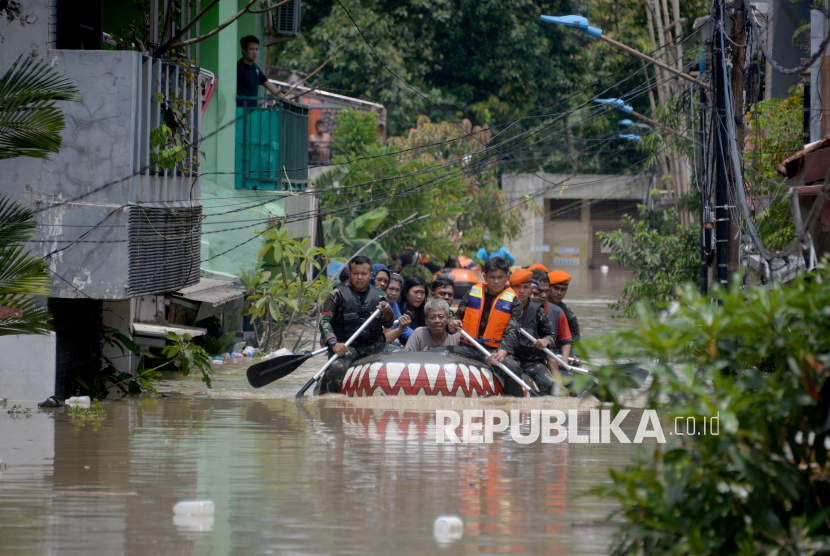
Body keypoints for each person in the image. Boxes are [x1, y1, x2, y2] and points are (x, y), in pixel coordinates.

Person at [317, 256, 399, 394]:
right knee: (336, 369)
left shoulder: (379, 295)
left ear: (370, 275)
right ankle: (329, 401)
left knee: (399, 354)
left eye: (364, 274)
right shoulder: (336, 295)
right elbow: (325, 321)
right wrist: (334, 343)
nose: (359, 277)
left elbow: (388, 323)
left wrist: (388, 312)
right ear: (350, 274)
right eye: (356, 274)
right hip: (347, 347)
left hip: (373, 345)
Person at [447, 256, 525, 396]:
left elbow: (512, 331)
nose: (496, 281)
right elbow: (457, 315)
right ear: (484, 277)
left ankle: (511, 402)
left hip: (495, 350)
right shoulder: (472, 292)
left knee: (513, 367)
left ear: (507, 277)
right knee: (435, 351)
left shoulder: (515, 302)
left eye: (500, 277)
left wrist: (502, 351)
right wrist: (451, 323)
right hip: (470, 347)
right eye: (492, 277)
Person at [507, 269, 558, 395]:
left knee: (549, 384)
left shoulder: (537, 311)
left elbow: (551, 335)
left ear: (530, 289)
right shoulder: (503, 306)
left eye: (525, 287)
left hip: (531, 360)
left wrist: (546, 341)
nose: (522, 291)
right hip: (509, 356)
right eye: (518, 287)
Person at [534, 269, 573, 368]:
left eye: (546, 291)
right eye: (540, 291)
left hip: (550, 359)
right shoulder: (519, 309)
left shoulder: (558, 312)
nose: (543, 295)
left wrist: (565, 358)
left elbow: (567, 340)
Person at [237, 35, 281, 108]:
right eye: (251, 49)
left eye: (257, 49)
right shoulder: (239, 68)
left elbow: (269, 85)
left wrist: (284, 98)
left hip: (252, 112)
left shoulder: (255, 68)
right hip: (239, 112)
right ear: (243, 50)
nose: (255, 52)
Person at [548, 270, 580, 344]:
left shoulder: (568, 313)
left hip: (560, 352)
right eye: (556, 288)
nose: (559, 293)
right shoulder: (538, 306)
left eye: (563, 290)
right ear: (548, 287)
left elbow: (576, 338)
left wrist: (575, 354)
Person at [397, 275, 428, 346]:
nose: (419, 296)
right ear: (405, 293)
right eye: (416, 292)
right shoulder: (396, 308)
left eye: (422, 293)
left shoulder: (426, 311)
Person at [383, 273, 411, 344]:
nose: (394, 293)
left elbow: (401, 326)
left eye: (397, 290)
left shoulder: (393, 303)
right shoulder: (381, 304)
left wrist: (418, 337)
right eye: (391, 289)